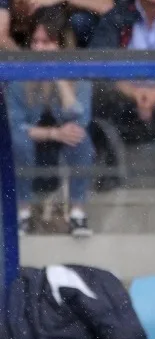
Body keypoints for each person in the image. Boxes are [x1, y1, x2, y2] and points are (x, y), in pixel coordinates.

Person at [8, 8, 94, 237]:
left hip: (61, 147)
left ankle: (77, 214)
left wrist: (60, 78)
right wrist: (53, 134)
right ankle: (22, 214)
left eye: (47, 42)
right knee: (18, 141)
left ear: (63, 46)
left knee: (81, 138)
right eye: (35, 42)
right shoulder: (18, 77)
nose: (39, 49)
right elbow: (14, 126)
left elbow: (80, 119)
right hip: (29, 144)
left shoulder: (79, 76)